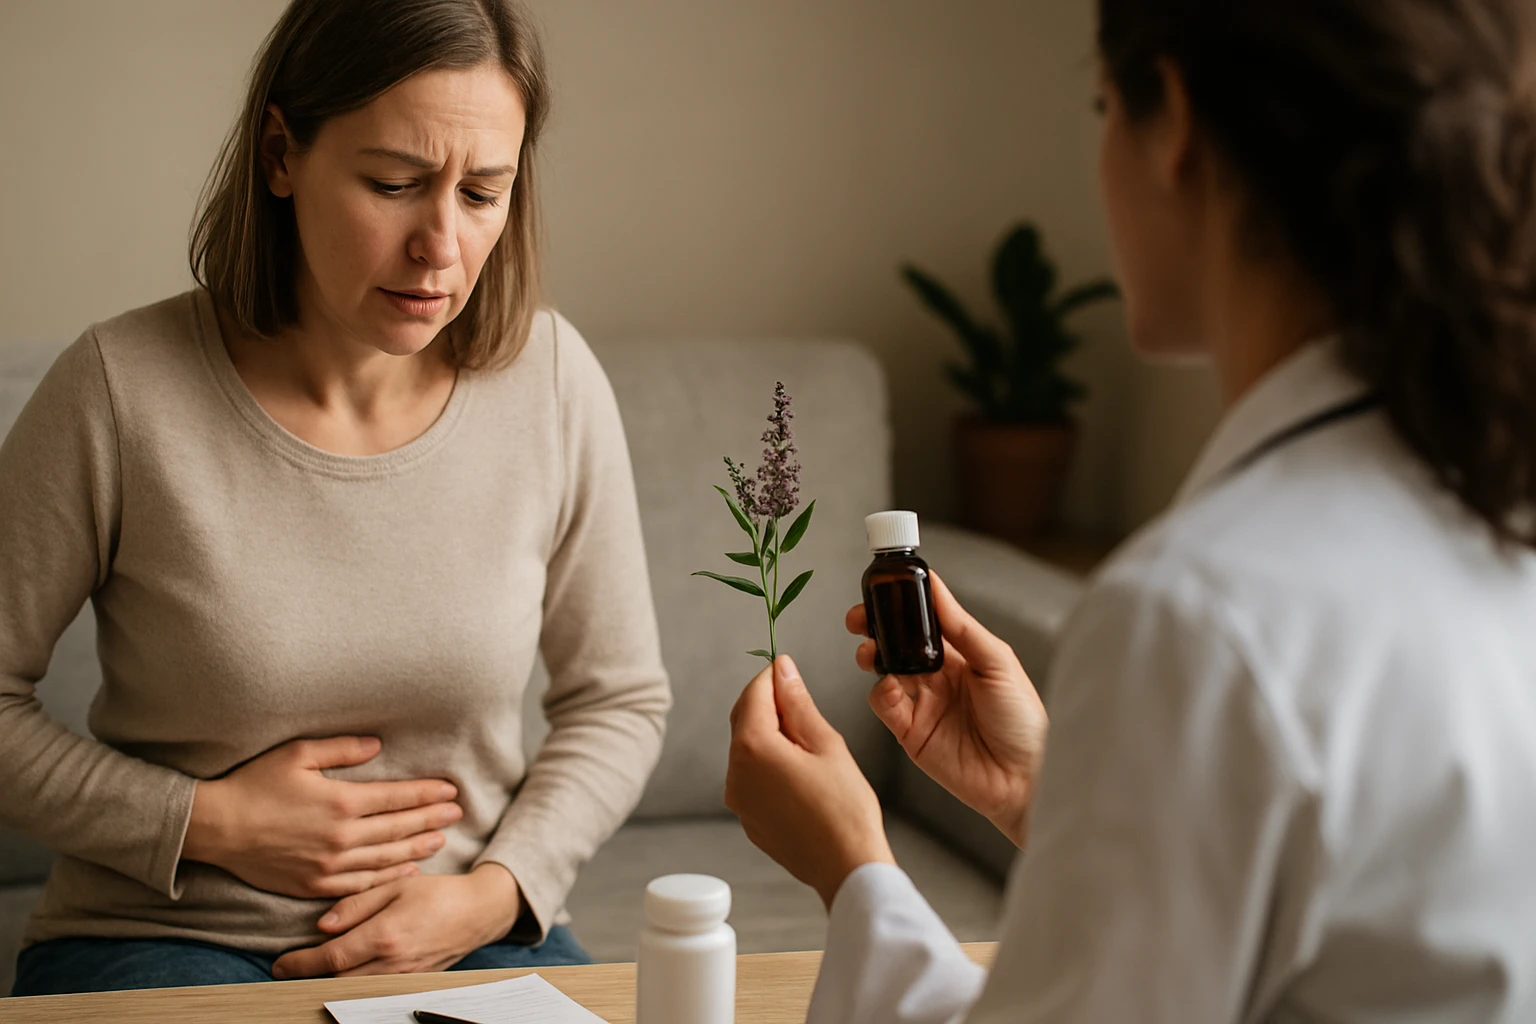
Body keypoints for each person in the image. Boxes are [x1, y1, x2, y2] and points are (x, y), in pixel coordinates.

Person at [726, 0, 1536, 1020]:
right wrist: (1054, 797)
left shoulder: (1201, 612)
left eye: (1108, 106)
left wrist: (850, 868)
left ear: (1177, 127)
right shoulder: (1489, 520)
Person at [0, 0, 670, 997]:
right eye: (394, 183)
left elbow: (621, 699)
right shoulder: (117, 389)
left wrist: (493, 893)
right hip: (164, 933)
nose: (441, 245)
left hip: (469, 935)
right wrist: (208, 821)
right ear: (280, 155)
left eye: (484, 192)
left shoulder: (554, 379)